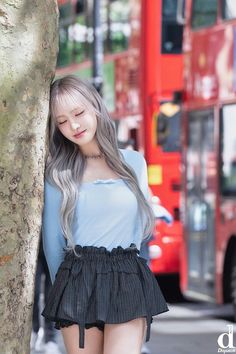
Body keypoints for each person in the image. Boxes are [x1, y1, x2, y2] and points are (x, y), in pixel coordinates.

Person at [41, 75, 169, 354]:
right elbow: (53, 246)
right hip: (76, 279)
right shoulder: (57, 175)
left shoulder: (134, 163)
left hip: (126, 275)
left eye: (78, 113)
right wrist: (62, 296)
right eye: (61, 121)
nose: (73, 125)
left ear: (95, 106)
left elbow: (140, 229)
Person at [31, 238, 62, 354]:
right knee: (32, 294)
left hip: (54, 243)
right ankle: (34, 331)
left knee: (52, 294)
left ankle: (51, 339)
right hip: (32, 245)